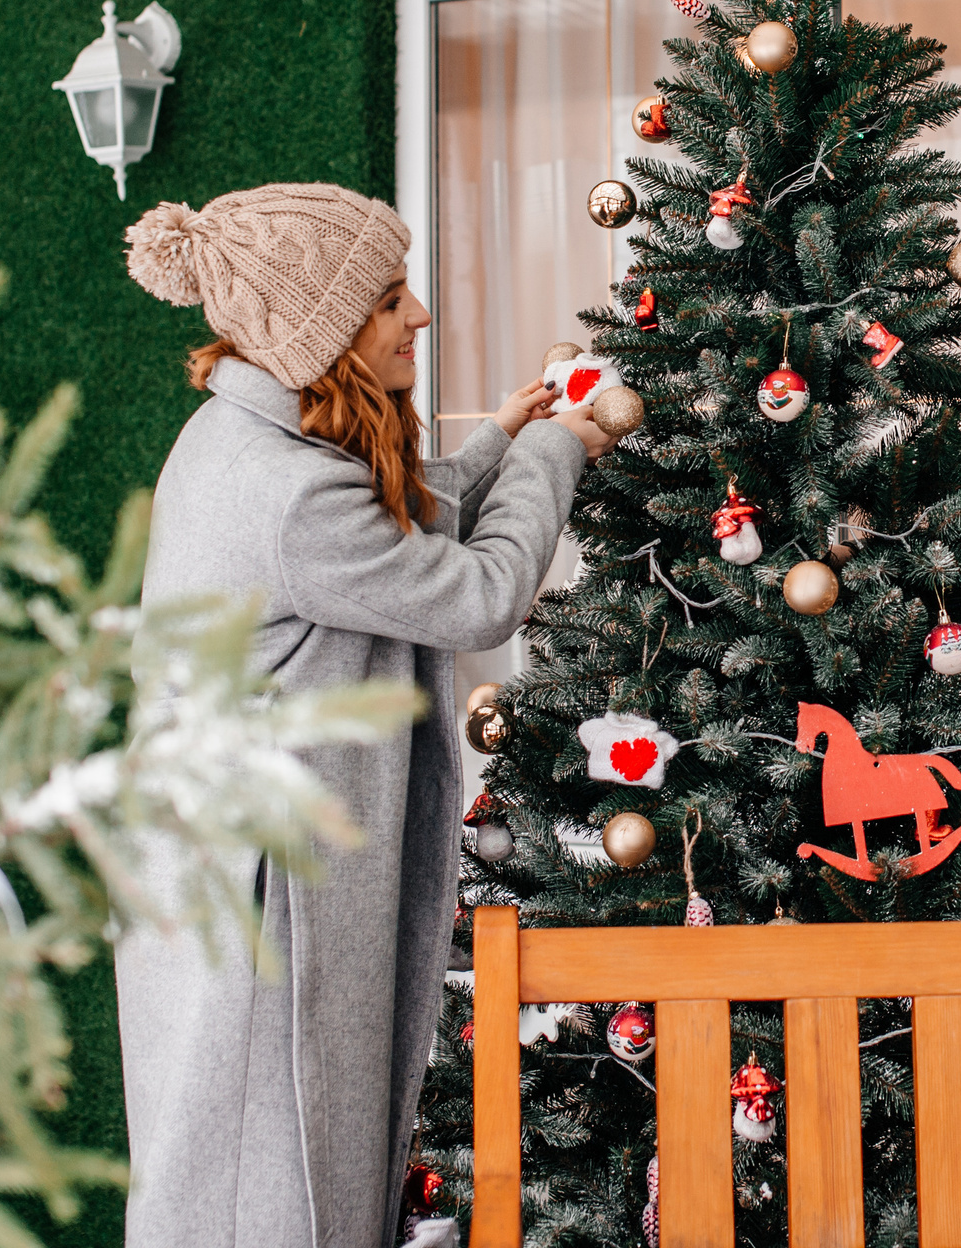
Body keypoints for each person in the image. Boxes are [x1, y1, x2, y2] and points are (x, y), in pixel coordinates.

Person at [113, 182, 612, 1248]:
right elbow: (474, 594)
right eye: (390, 300)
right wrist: (552, 454)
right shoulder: (289, 494)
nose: (418, 316)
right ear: (328, 330)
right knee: (281, 1195)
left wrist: (494, 452)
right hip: (267, 923)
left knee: (254, 1185)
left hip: (229, 895)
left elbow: (381, 535)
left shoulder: (243, 443)